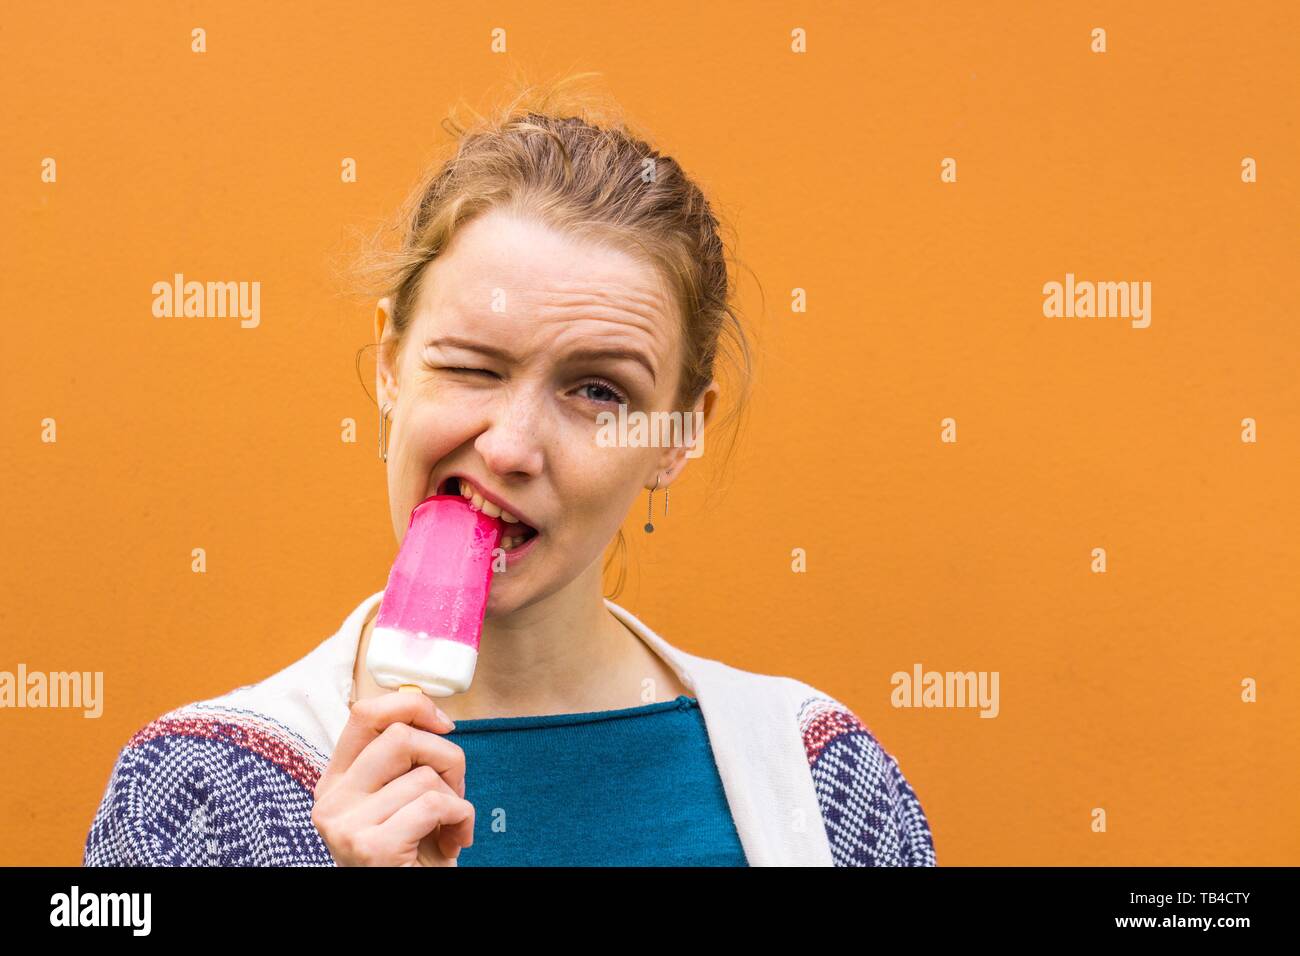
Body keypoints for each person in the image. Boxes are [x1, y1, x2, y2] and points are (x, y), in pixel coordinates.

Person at [84, 76, 937, 867]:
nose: (510, 447)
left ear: (679, 435)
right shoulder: (197, 798)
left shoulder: (826, 785)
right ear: (389, 365)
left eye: (597, 390)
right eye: (471, 367)